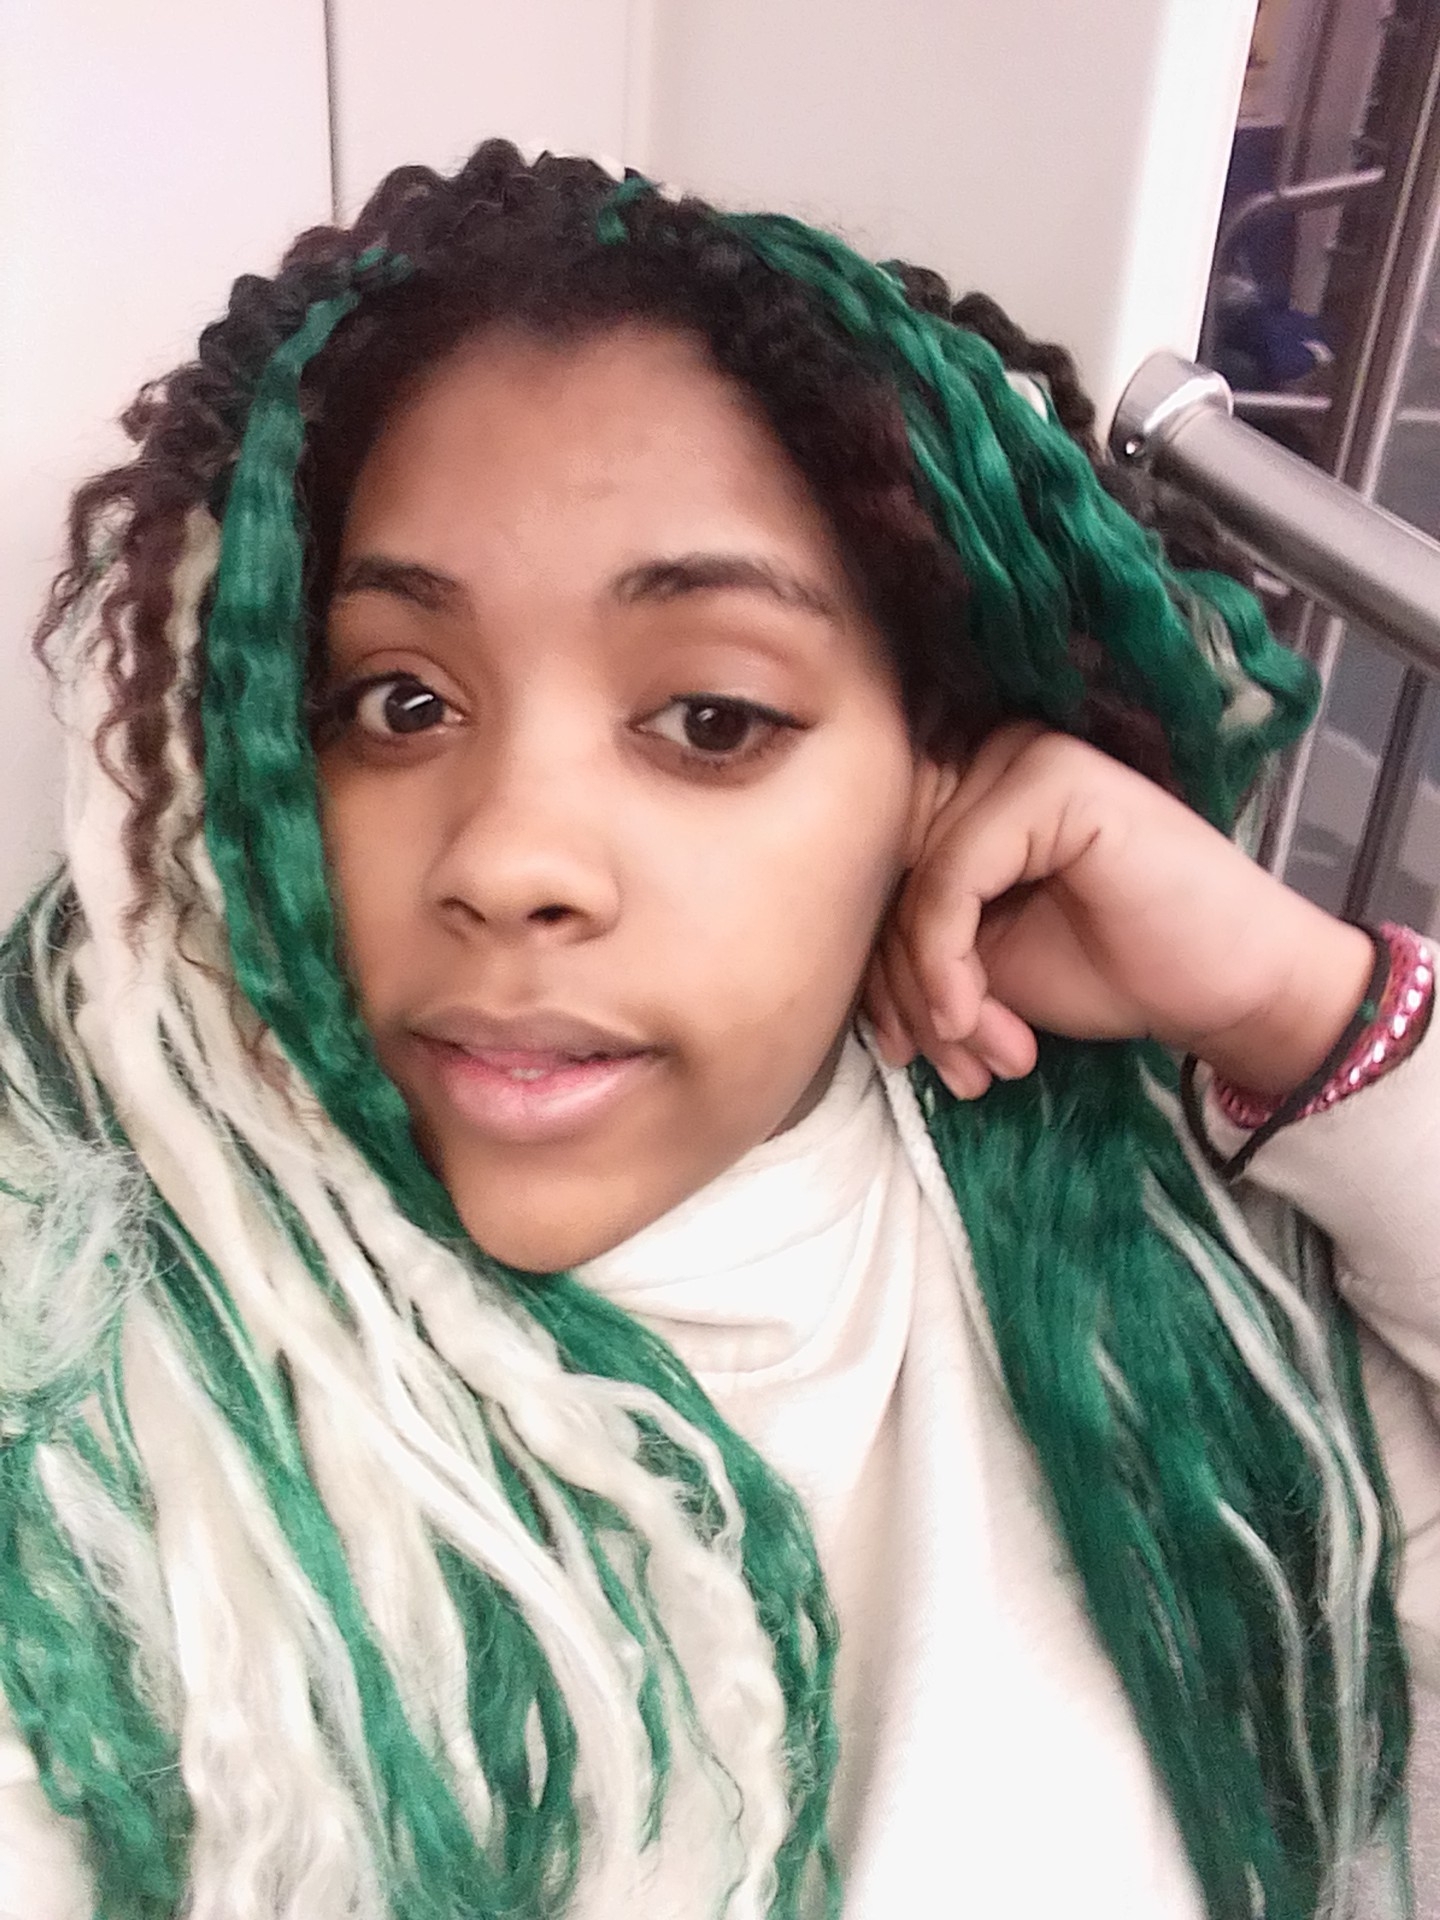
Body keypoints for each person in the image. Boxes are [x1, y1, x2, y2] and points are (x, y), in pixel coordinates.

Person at [0, 139, 1435, 1920]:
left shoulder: (1163, 1276)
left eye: (710, 719)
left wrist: (1306, 1009)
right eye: (402, 702)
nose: (509, 862)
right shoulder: (79, 1369)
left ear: (938, 767)